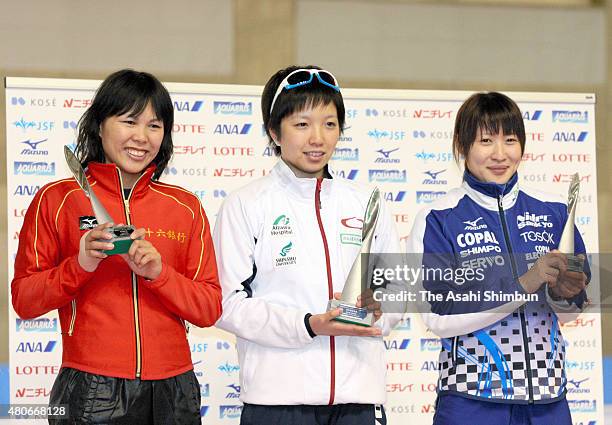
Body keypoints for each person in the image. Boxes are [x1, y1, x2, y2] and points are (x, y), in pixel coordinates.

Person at [11, 69, 222, 424]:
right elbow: (25, 300)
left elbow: (209, 309)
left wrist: (159, 273)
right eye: (129, 121)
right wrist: (81, 264)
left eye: (154, 126)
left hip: (175, 390)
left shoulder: (185, 206)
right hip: (92, 387)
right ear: (99, 124)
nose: (141, 137)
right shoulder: (57, 199)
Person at [213, 65, 400, 425]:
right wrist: (309, 324)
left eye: (329, 124)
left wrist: (381, 308)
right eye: (302, 124)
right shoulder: (247, 203)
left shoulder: (366, 201)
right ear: (274, 130)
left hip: (358, 399)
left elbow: (395, 289)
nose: (318, 138)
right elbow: (226, 303)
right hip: (277, 402)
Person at [407, 92, 589, 425]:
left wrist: (567, 294)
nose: (500, 154)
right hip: (472, 401)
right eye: (486, 141)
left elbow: (571, 312)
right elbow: (437, 314)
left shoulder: (554, 211)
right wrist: (525, 282)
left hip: (549, 401)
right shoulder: (439, 217)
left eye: (510, 140)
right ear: (462, 146)